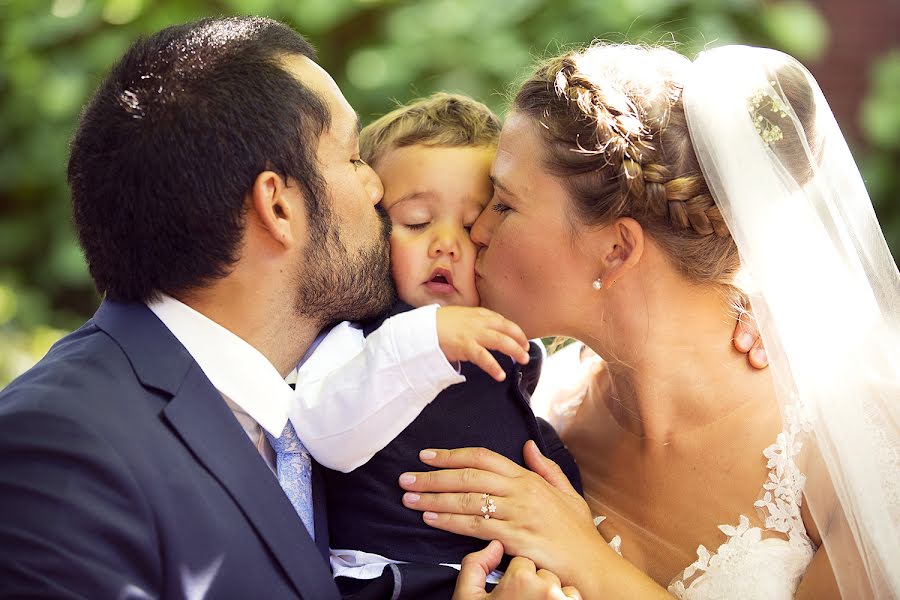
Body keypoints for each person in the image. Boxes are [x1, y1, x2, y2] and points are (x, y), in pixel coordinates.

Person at [0, 17, 576, 600]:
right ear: (278, 207)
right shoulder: (58, 451)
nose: (377, 191)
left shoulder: (322, 408)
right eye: (354, 160)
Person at [398, 43, 900, 599]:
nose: (476, 231)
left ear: (616, 250)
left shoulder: (857, 447)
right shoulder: (535, 412)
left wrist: (589, 561)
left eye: (505, 204)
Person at [279, 93, 582, 599]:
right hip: (390, 578)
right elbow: (324, 432)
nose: (447, 243)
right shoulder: (357, 336)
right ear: (369, 230)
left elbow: (514, 428)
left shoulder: (511, 345)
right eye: (417, 221)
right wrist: (426, 340)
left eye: (471, 226)